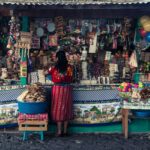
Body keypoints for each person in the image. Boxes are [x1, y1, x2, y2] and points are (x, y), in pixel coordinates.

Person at [48, 50, 73, 137]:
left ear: (58, 58)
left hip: (58, 89)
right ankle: (65, 131)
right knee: (66, 108)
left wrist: (52, 79)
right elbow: (71, 78)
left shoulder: (54, 67)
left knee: (58, 108)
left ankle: (59, 131)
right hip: (67, 89)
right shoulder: (69, 67)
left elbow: (47, 73)